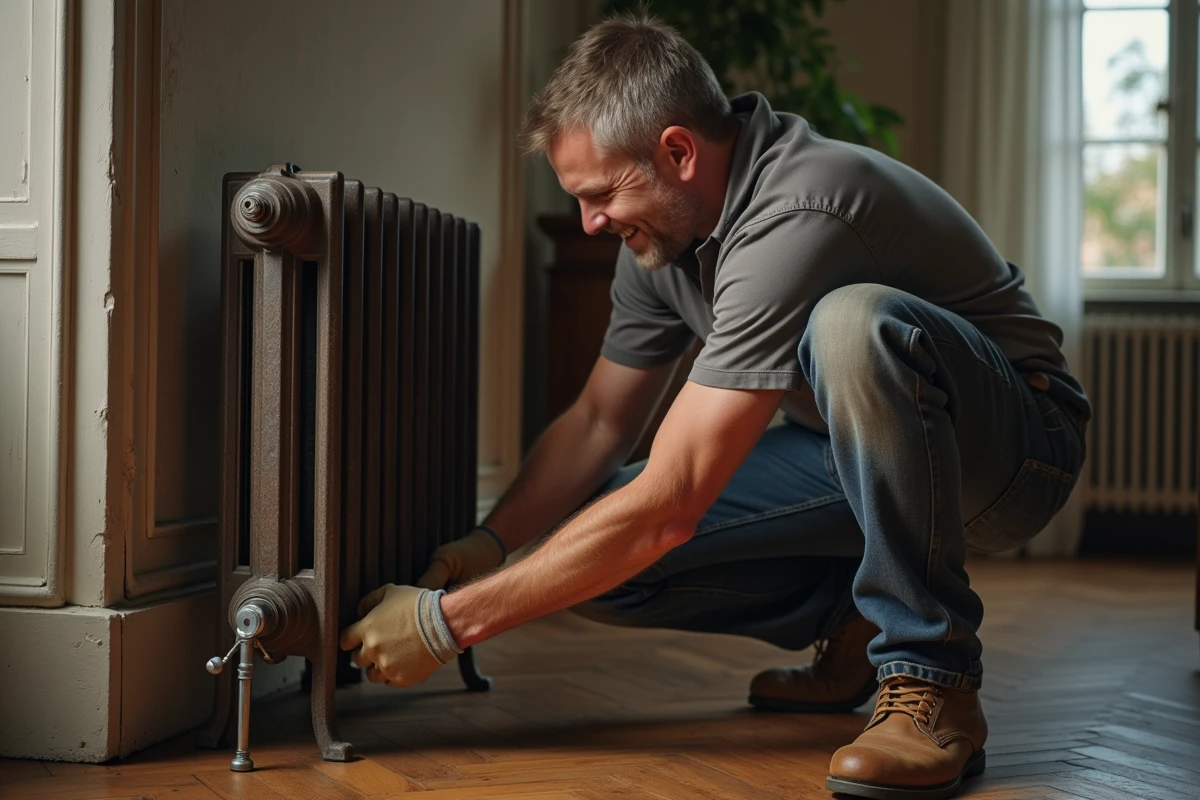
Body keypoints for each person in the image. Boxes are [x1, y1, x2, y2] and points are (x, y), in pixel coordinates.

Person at [339, 12, 1089, 800]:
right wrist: (492, 544)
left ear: (678, 151)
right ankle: (855, 616)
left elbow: (672, 503)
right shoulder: (663, 236)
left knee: (850, 324)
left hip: (1015, 454)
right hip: (852, 454)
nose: (591, 222)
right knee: (582, 549)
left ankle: (933, 680)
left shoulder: (797, 208)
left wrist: (445, 623)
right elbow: (599, 422)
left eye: (601, 194)